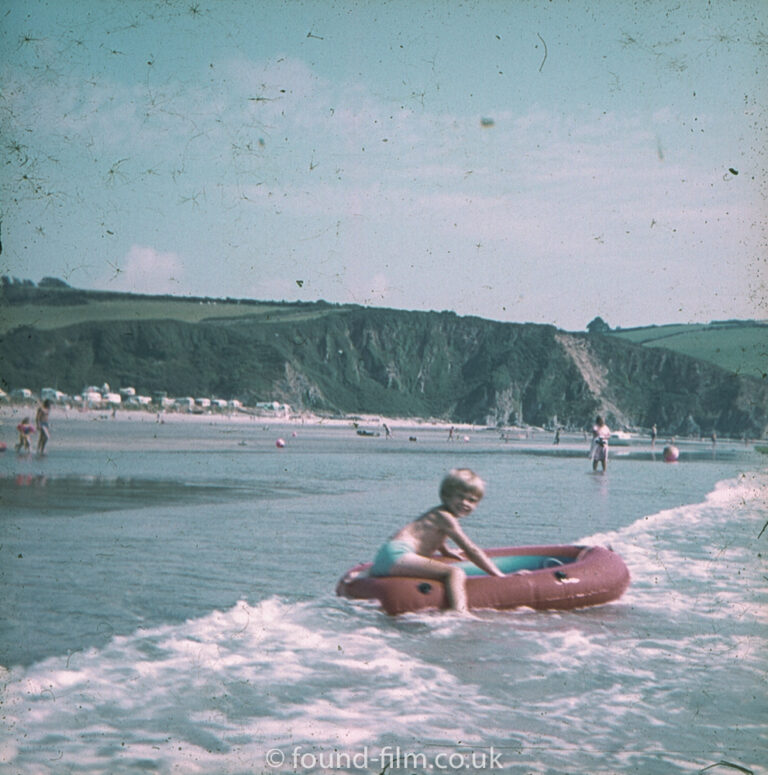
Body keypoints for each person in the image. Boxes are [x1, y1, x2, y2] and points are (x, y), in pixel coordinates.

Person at [368, 468, 505, 612]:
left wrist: (446, 551)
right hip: (398, 556)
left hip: (386, 556)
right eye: (460, 497)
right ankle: (460, 612)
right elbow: (470, 549)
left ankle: (360, 575)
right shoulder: (446, 518)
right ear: (446, 496)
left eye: (471, 500)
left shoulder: (437, 514)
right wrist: (498, 574)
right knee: (455, 573)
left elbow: (429, 534)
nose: (465, 503)